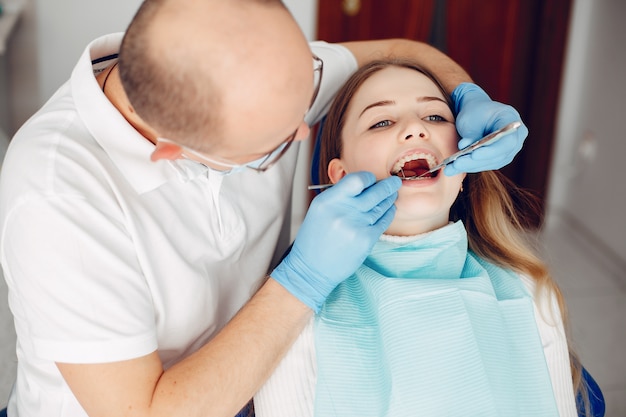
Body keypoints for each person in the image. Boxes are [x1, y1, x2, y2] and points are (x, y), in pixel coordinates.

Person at [0, 1, 529, 416]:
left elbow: (398, 49)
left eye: (305, 103)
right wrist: (301, 280)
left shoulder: (256, 66)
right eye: (277, 143)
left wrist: (463, 92)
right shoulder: (55, 196)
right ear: (171, 151)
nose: (304, 132)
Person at [253, 60, 583, 417]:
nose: (415, 129)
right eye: (381, 122)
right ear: (341, 175)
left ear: (465, 164)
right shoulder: (293, 319)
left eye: (437, 118)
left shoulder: (530, 290)